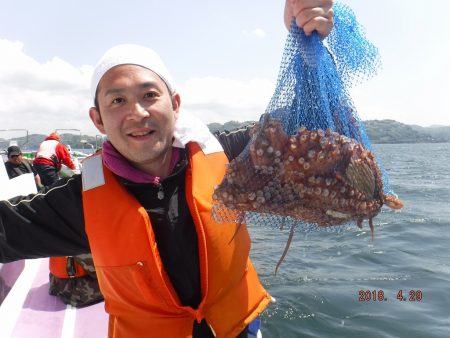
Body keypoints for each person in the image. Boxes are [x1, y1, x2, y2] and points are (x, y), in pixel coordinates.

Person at [0, 1, 333, 337]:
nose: (138, 113)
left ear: (174, 105)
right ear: (97, 119)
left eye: (149, 94)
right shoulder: (78, 203)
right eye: (118, 100)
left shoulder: (226, 154)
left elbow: (307, 125)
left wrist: (309, 48)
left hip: (237, 328)